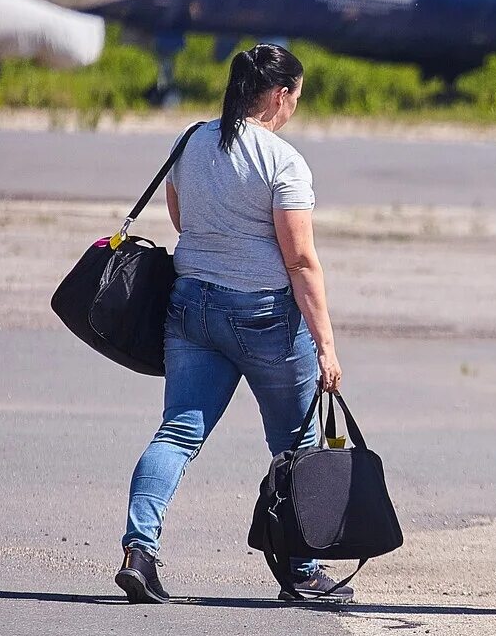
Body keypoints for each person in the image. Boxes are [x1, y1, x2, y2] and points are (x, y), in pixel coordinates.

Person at [116, 44, 353, 605]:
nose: (296, 105)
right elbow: (299, 259)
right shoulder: (282, 161)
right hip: (265, 315)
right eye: (296, 94)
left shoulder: (191, 140)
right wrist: (326, 345)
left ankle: (139, 549)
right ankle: (301, 570)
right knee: (298, 443)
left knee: (177, 433)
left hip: (192, 305)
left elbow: (179, 217)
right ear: (278, 94)